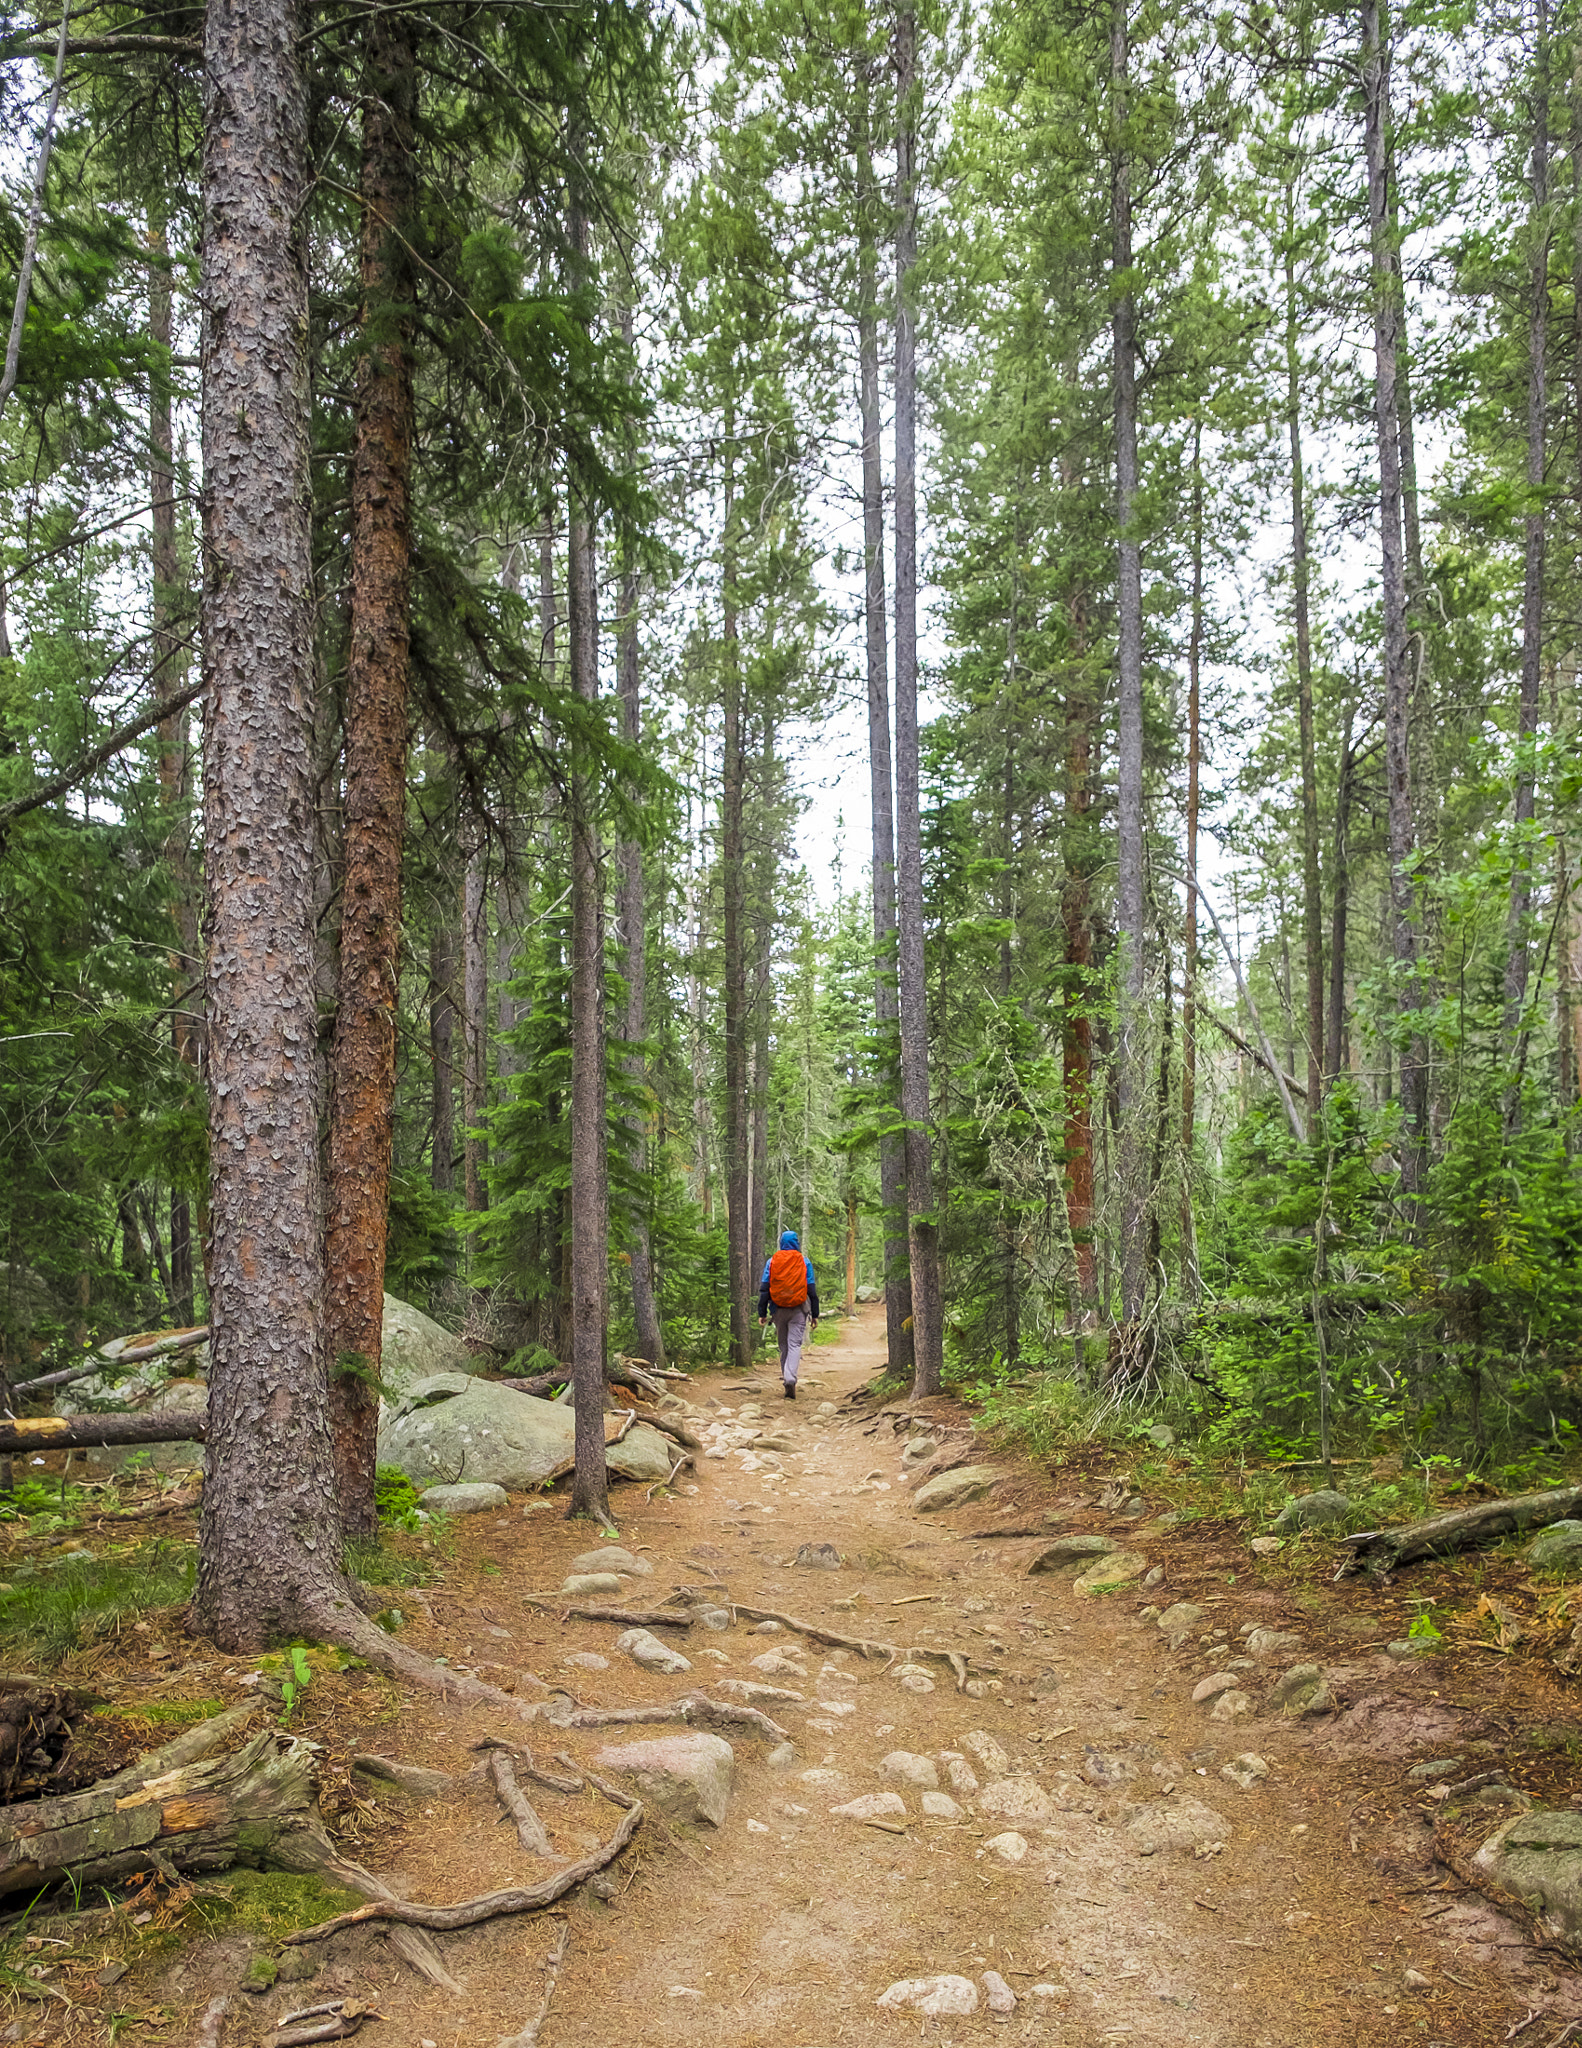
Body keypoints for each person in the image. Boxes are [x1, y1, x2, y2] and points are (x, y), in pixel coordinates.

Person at [758, 1228, 819, 1399]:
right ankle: (790, 1378)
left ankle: (787, 1378)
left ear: (781, 1243)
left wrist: (762, 1312)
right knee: (794, 1345)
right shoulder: (804, 1261)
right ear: (796, 1243)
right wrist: (815, 1314)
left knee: (783, 1345)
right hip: (799, 1309)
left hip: (778, 1310)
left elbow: (764, 1289)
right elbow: (811, 1290)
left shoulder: (772, 1262)